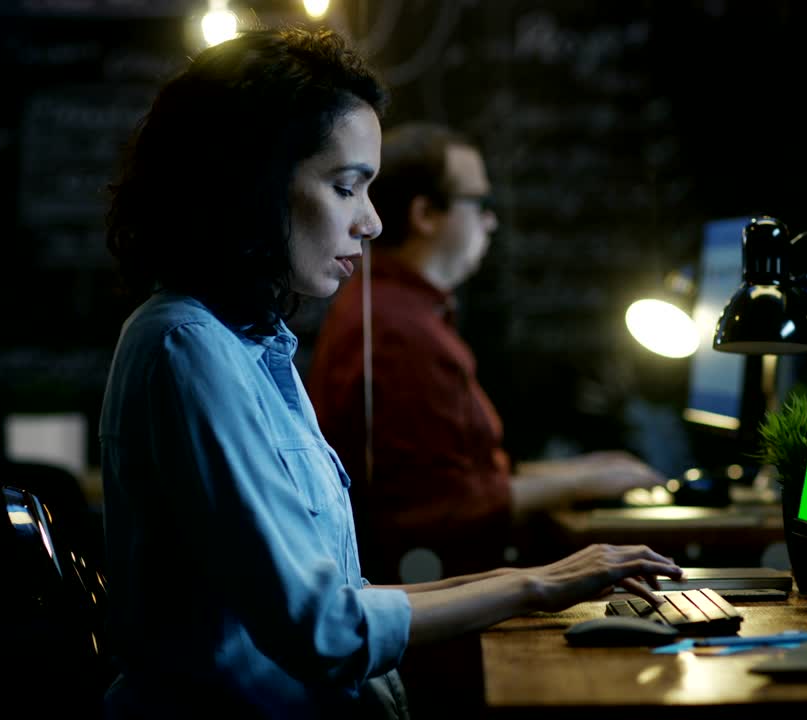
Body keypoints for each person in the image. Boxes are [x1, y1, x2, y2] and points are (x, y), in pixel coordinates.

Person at [99, 26, 682, 719]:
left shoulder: (248, 346)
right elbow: (324, 633)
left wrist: (544, 578)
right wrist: (537, 588)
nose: (372, 223)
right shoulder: (187, 347)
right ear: (252, 184)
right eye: (347, 188)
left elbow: (342, 599)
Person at [304, 122, 668, 586]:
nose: (491, 221)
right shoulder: (398, 330)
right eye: (480, 204)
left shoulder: (402, 312)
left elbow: (454, 470)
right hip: (441, 598)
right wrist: (578, 483)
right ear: (426, 214)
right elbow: (436, 505)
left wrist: (575, 471)